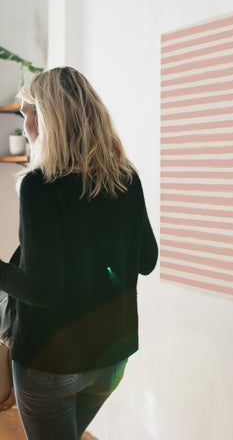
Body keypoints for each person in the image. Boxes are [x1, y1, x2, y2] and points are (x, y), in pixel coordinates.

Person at [0, 66, 158, 439]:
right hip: (110, 358)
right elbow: (147, 260)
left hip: (51, 362)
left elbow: (41, 289)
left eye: (26, 113)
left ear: (46, 117)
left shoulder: (40, 185)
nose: (24, 125)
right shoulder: (126, 178)